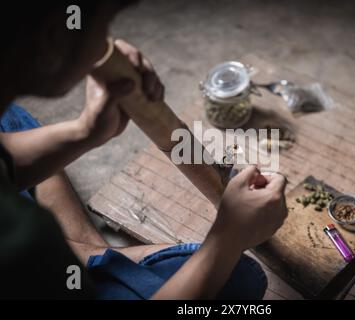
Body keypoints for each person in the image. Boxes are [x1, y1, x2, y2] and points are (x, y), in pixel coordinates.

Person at [0, 1, 288, 299]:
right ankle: (91, 258)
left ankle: (88, 252)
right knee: (239, 281)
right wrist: (228, 236)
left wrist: (85, 131)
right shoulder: (20, 247)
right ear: (53, 40)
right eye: (103, 28)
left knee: (10, 119)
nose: (110, 43)